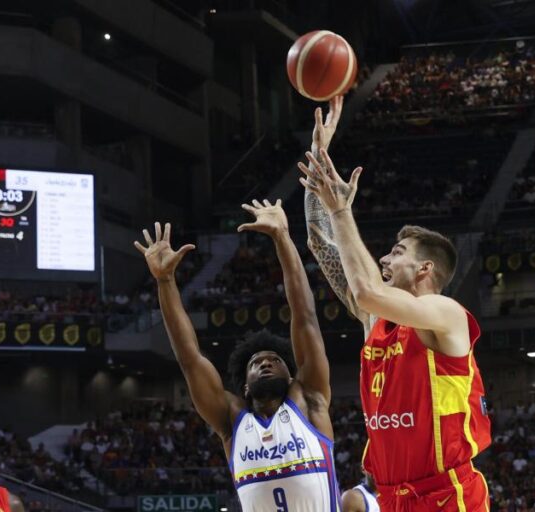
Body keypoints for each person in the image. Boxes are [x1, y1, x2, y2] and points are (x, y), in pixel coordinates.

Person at [299, 140, 491, 511]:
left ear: (425, 269)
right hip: (391, 497)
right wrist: (318, 157)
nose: (385, 257)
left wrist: (341, 210)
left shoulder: (446, 314)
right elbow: (321, 244)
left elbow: (367, 291)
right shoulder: (377, 320)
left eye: (398, 253)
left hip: (446, 496)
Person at [134, 212, 338, 511]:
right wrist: (165, 282)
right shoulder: (231, 420)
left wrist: (282, 237)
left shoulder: (310, 400)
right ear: (244, 385)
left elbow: (305, 315)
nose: (266, 363)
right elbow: (189, 358)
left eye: (274, 360)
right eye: (256, 362)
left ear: (292, 376)